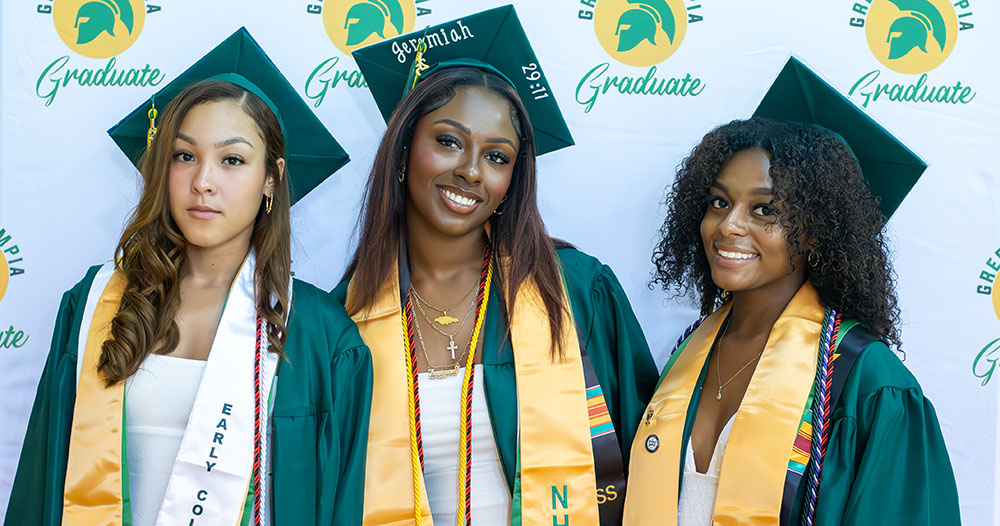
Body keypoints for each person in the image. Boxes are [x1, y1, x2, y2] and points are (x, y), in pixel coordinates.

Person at [3, 28, 371, 526]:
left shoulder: (317, 333)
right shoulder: (93, 306)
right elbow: (41, 483)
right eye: (185, 155)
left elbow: (337, 504)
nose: (203, 180)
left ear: (271, 177)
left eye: (233, 160)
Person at [333, 6, 658, 525]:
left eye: (498, 156)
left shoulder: (575, 291)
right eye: (448, 141)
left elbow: (647, 464)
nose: (470, 171)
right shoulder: (341, 321)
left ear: (514, 178)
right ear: (402, 148)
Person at [622, 58, 961, 526]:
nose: (729, 225)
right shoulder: (688, 352)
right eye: (720, 202)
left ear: (820, 230)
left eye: (764, 210)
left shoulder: (869, 383)